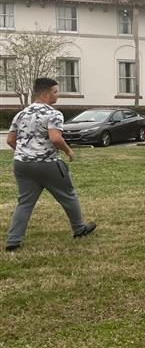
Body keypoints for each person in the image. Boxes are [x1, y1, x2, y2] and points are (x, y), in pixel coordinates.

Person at [5, 77, 96, 251]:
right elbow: (55, 138)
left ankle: (13, 241)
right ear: (46, 94)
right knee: (68, 195)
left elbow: (10, 140)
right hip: (47, 164)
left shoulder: (21, 113)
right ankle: (79, 228)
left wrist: (26, 152)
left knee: (24, 203)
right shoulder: (53, 113)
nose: (58, 95)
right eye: (55, 92)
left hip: (21, 164)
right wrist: (68, 150)